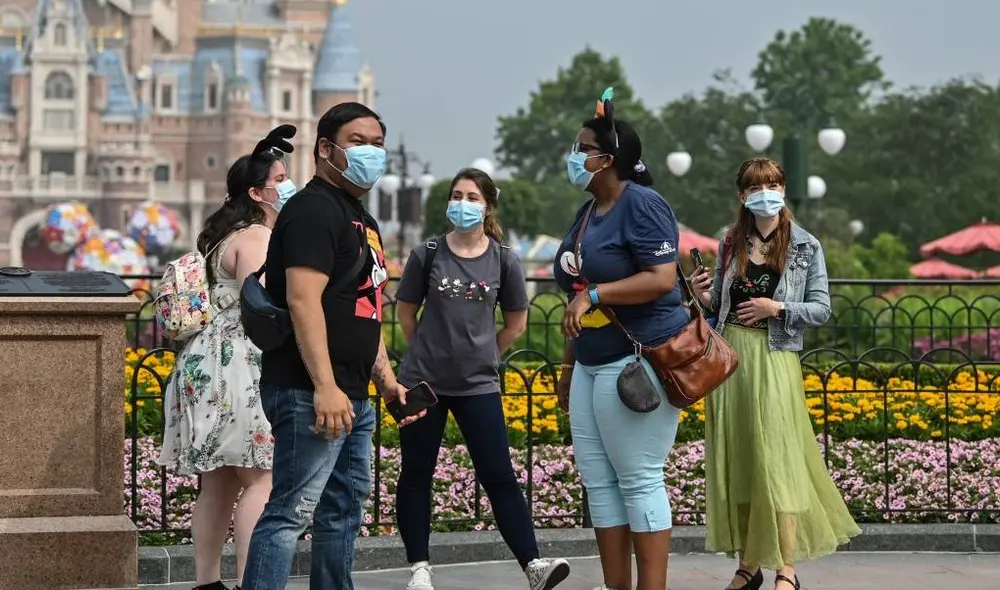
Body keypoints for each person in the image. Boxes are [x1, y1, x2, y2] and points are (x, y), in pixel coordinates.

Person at [241, 103, 418, 590]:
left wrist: (385, 380)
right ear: (325, 149)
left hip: (352, 394)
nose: (372, 153)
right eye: (358, 142)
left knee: (342, 509)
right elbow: (302, 300)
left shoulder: (362, 219)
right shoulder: (313, 210)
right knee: (291, 512)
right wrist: (324, 385)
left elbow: (367, 306)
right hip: (309, 391)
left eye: (378, 144)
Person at [393, 168, 572, 590]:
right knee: (417, 473)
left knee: (498, 475)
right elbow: (405, 312)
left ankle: (533, 565)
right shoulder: (428, 253)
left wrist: (486, 353)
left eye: (472, 197)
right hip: (425, 384)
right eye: (457, 195)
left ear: (488, 205)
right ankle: (419, 568)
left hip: (478, 385)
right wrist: (425, 353)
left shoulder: (504, 259)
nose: (463, 203)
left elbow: (516, 322)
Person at [690, 157, 861, 590]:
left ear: (783, 189)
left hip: (774, 358)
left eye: (772, 185)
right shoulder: (731, 242)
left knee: (778, 463)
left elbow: (822, 308)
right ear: (742, 196)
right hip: (731, 359)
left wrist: (779, 307)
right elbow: (717, 310)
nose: (764, 193)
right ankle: (748, 566)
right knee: (744, 463)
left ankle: (786, 569)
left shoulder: (805, 245)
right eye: (754, 187)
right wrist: (702, 292)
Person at [552, 87, 685, 590]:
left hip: (636, 361)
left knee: (639, 479)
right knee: (600, 484)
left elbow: (661, 278)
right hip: (590, 363)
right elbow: (576, 294)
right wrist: (569, 365)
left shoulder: (643, 203)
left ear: (607, 159)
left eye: (583, 147)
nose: (575, 154)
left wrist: (597, 295)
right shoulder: (587, 213)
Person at [158, 138, 297, 590]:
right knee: (263, 478)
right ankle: (250, 582)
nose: (288, 185)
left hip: (205, 362)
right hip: (241, 363)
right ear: (256, 193)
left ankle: (207, 583)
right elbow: (263, 303)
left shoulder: (223, 236)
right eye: (279, 180)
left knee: (217, 484)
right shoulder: (257, 237)